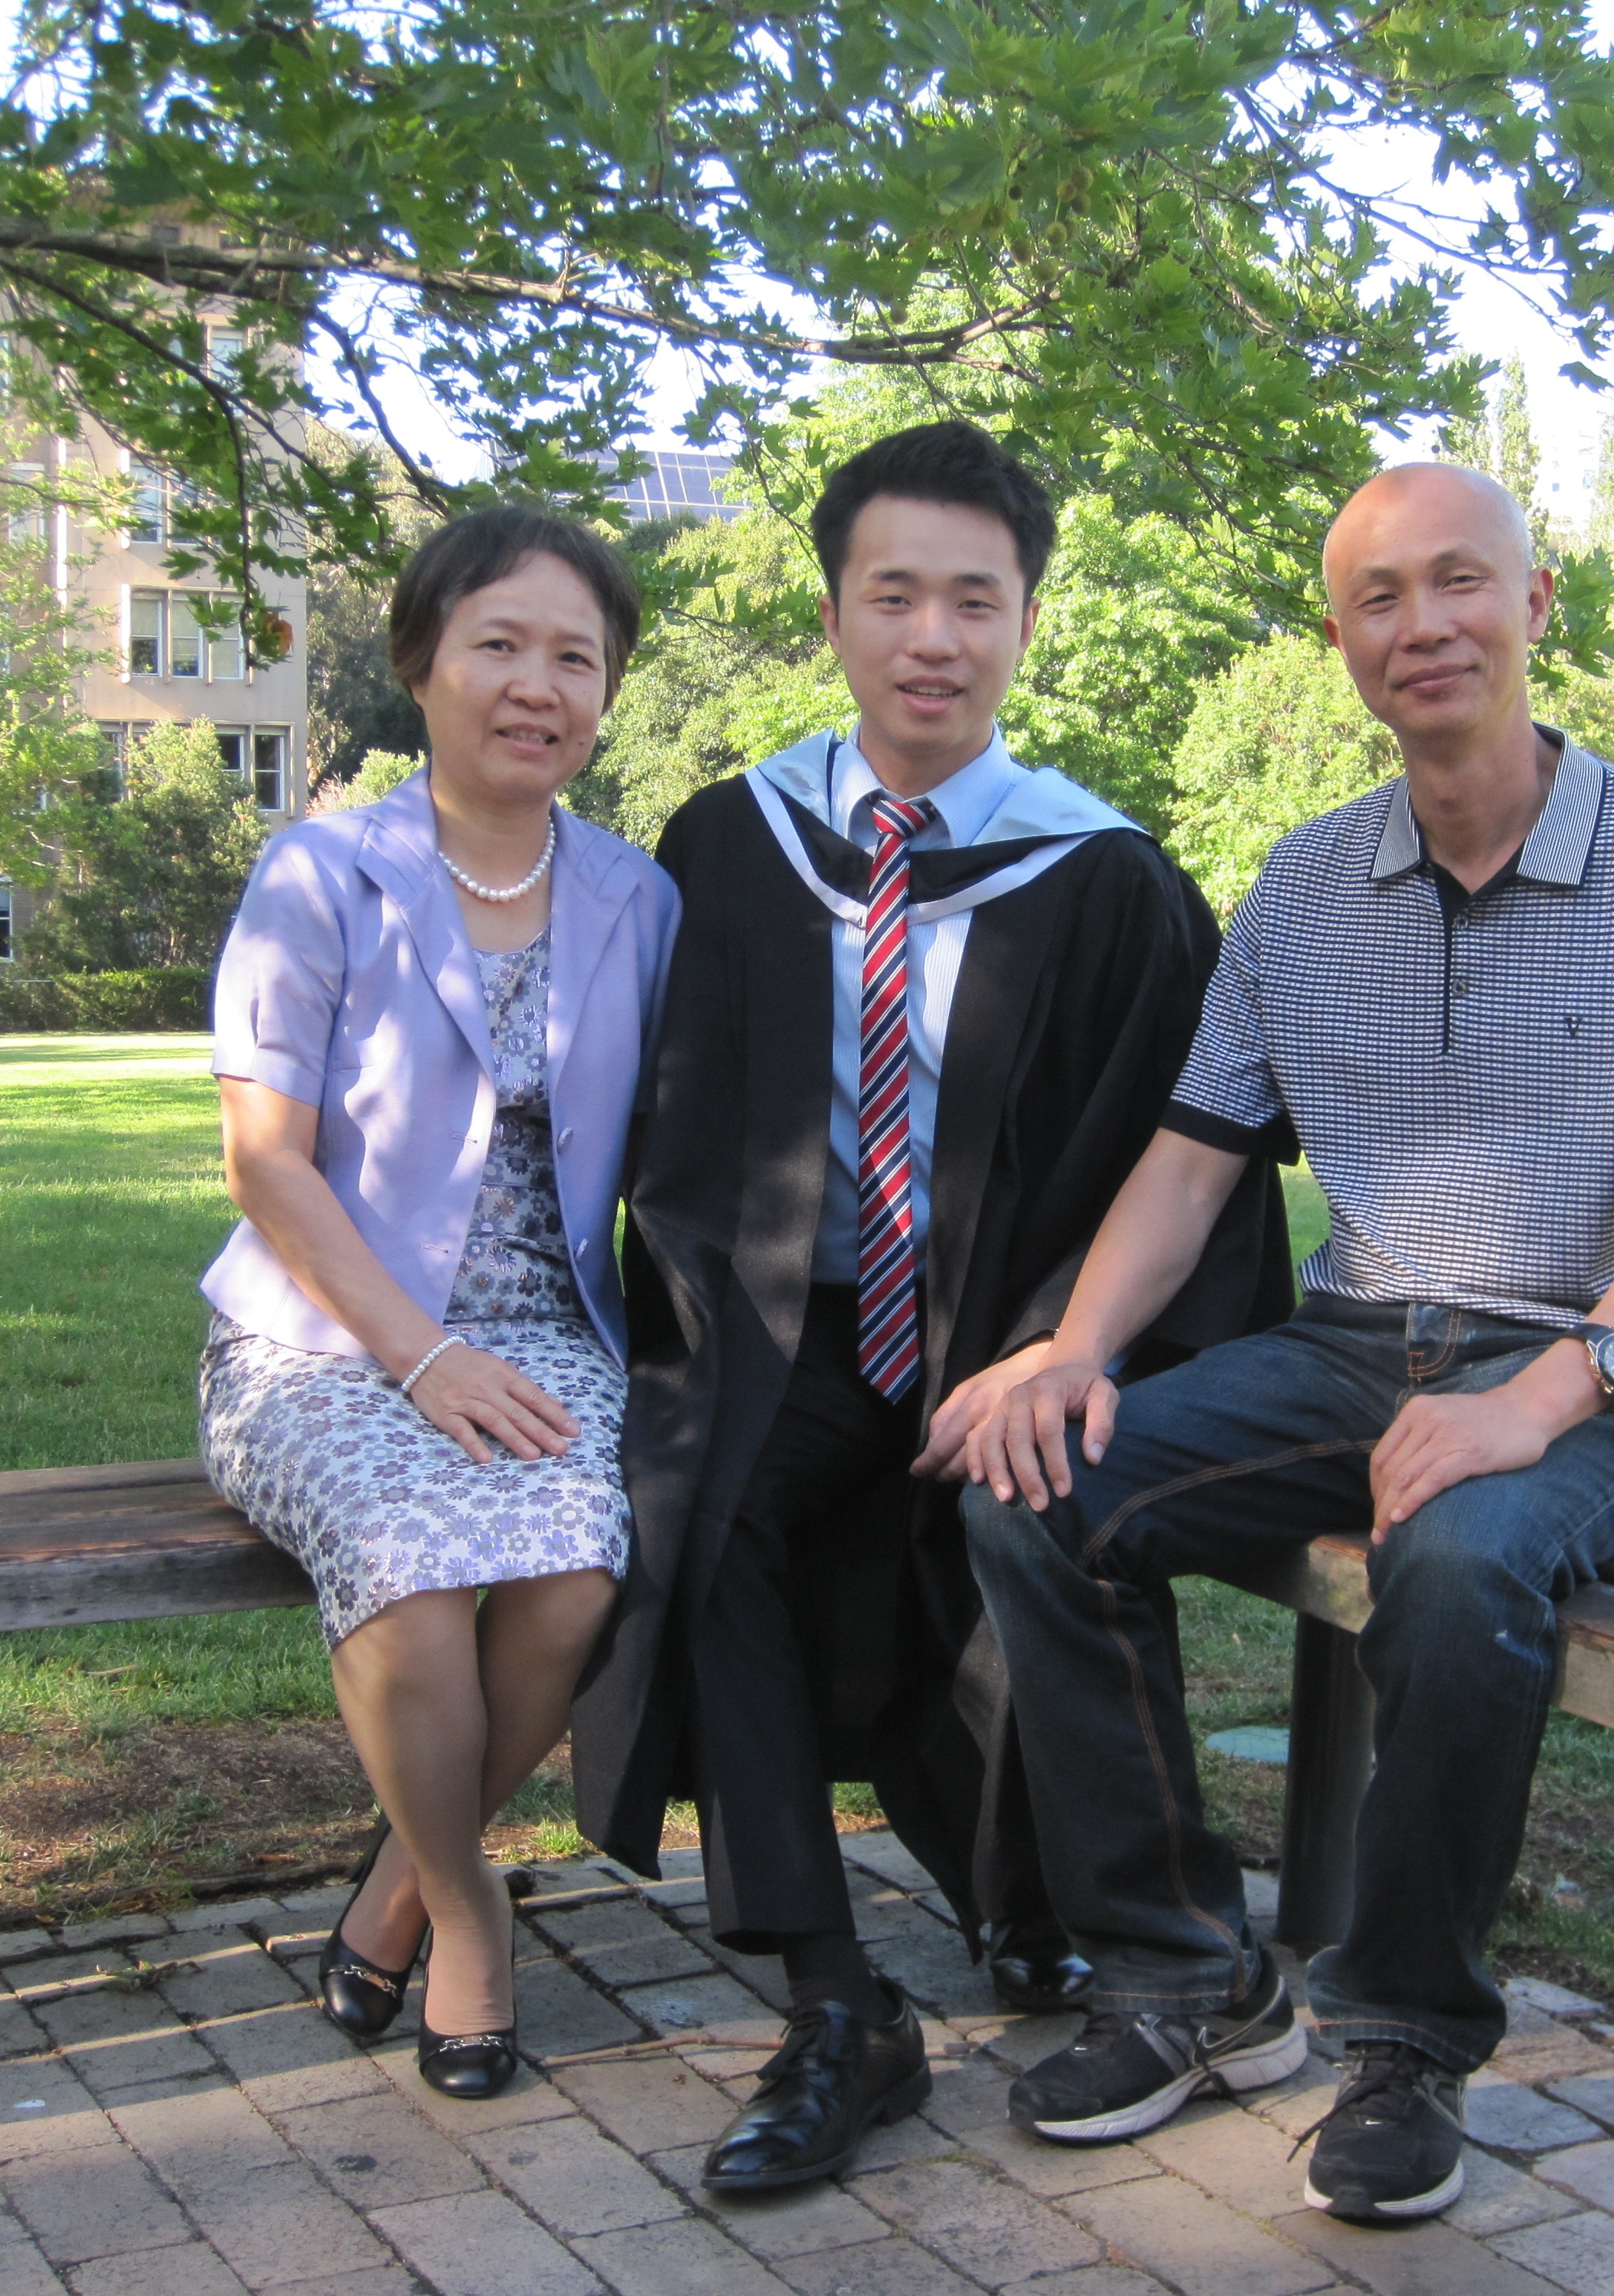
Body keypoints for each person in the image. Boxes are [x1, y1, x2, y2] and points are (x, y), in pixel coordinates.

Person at [954, 464, 1614, 2222]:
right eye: (1377, 598)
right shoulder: (1307, 883)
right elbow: (1189, 1165)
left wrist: (1533, 1406)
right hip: (1343, 1350)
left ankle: (1400, 2040)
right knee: (1037, 1486)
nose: (1423, 627)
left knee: (1458, 1561)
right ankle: (1185, 1975)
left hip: (1582, 1366)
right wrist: (1076, 1350)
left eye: (1457, 583)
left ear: (1535, 602)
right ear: (1338, 641)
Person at [571, 420, 1291, 2193]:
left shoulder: (1103, 876)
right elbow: (663, 1130)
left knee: (1028, 1490)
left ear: (1025, 623)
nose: (932, 638)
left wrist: (1061, 1352)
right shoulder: (735, 841)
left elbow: (1177, 1164)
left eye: (975, 600)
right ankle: (832, 2001)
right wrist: (697, 1332)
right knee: (702, 1500)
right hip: (792, 1330)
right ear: (833, 613)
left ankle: (1045, 1908)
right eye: (893, 594)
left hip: (1005, 1332)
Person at [199, 506, 678, 2102]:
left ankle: (395, 1881)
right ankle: (468, 1911)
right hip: (324, 1339)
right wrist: (419, 1361)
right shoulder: (318, 874)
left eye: (575, 657)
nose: (536, 685)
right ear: (420, 662)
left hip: (553, 1336)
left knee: (573, 1571)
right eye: (499, 644)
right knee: (409, 1575)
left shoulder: (637, 898)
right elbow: (267, 1163)